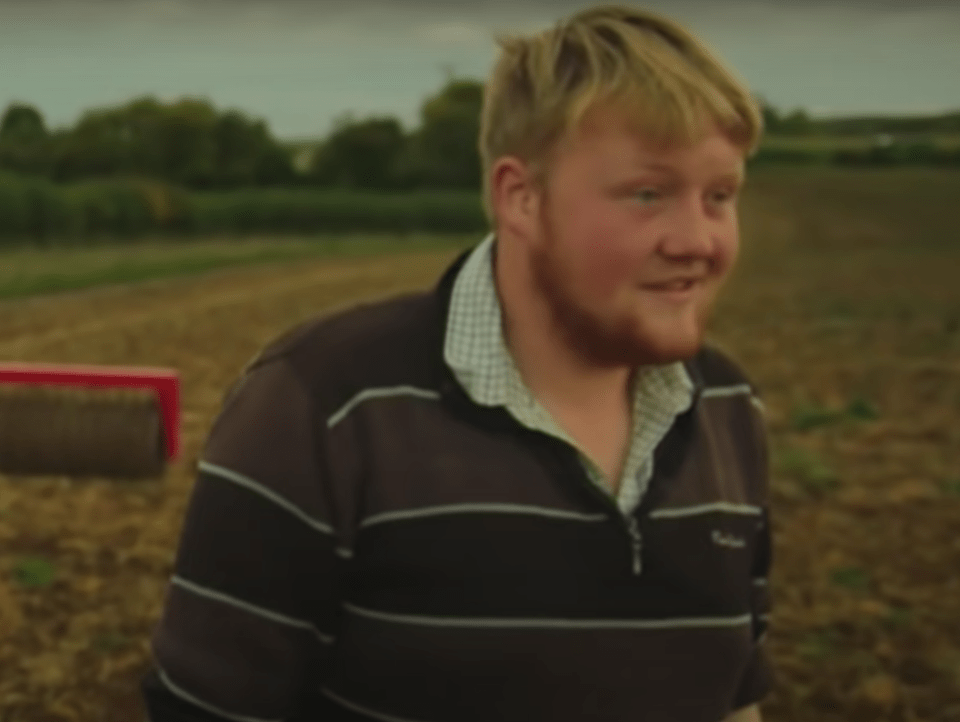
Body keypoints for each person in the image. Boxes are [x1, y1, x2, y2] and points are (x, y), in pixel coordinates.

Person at [140, 4, 774, 721]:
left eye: (719, 196)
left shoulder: (726, 405)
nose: (698, 240)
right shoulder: (323, 405)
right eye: (648, 193)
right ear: (521, 197)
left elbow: (733, 701)